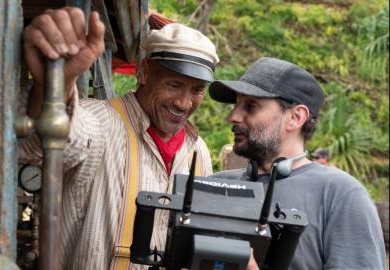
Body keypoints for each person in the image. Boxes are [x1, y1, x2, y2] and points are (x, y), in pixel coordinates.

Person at [20, 7, 259, 270]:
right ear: (144, 72)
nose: (183, 103)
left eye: (197, 90)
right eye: (173, 84)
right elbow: (54, 138)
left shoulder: (197, 151)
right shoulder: (100, 122)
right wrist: (55, 86)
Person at [208, 57, 386, 270]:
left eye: (251, 106)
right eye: (236, 105)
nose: (233, 116)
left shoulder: (341, 195)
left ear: (295, 117)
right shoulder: (215, 186)